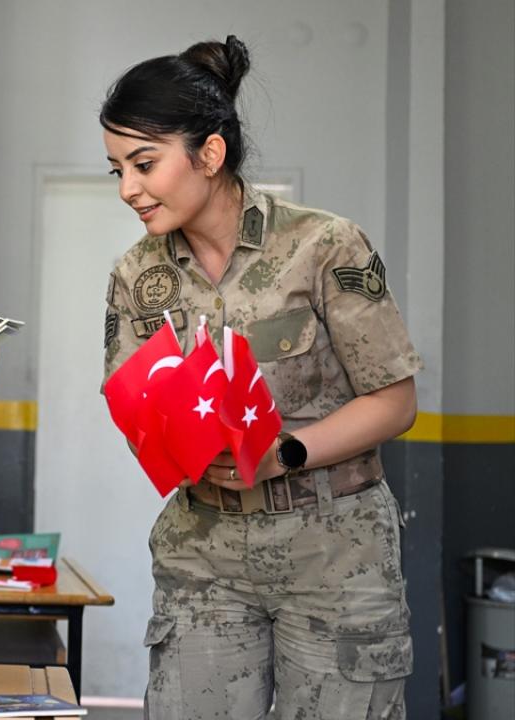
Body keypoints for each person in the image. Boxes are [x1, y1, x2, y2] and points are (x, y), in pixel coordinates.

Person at [99, 36, 421, 718]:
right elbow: (135, 408)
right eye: (116, 170)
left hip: (336, 556)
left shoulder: (323, 246)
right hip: (204, 559)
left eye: (144, 164)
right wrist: (176, 446)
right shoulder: (137, 276)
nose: (128, 189)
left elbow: (394, 402)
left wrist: (284, 455)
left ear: (209, 154)